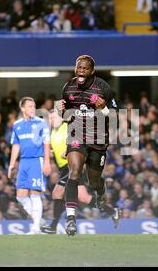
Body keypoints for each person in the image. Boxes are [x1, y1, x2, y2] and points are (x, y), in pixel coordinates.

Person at [56, 54, 118, 236]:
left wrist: (103, 108)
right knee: (74, 173)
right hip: (76, 135)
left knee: (94, 180)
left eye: (85, 68)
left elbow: (114, 116)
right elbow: (66, 115)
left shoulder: (103, 88)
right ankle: (71, 219)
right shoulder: (68, 87)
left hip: (98, 139)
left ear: (92, 71)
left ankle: (100, 193)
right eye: (79, 67)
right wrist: (62, 111)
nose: (81, 71)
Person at [41, 111, 120, 234]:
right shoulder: (52, 132)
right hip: (63, 168)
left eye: (54, 117)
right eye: (50, 117)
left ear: (62, 118)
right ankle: (111, 211)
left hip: (73, 165)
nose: (51, 119)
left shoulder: (68, 127)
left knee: (57, 193)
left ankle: (53, 226)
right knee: (85, 198)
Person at [7, 97, 51, 234]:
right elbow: (16, 145)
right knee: (20, 196)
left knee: (35, 194)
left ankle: (36, 227)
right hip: (24, 162)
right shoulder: (17, 125)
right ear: (23, 108)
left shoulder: (41, 123)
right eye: (30, 106)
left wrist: (47, 162)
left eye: (34, 106)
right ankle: (40, 221)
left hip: (36, 160)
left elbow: (46, 143)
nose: (33, 109)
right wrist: (11, 164)